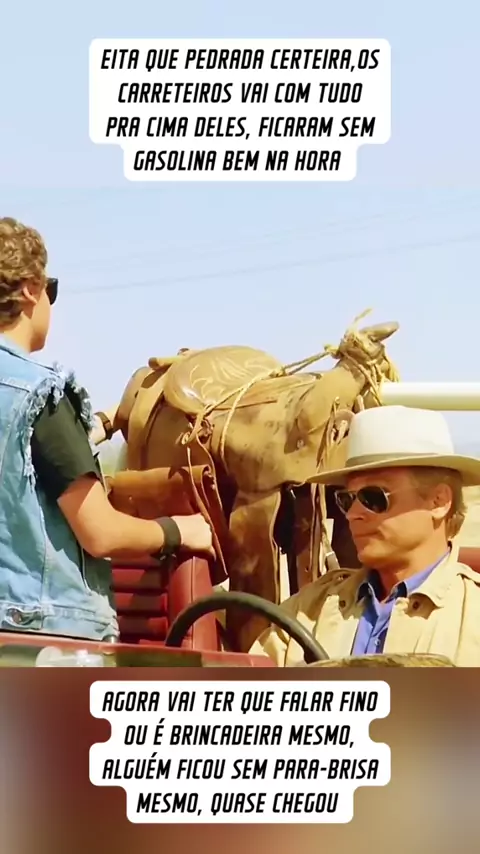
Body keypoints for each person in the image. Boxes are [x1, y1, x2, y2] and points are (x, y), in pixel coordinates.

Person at [0, 216, 213, 642]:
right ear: (30, 290)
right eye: (51, 289)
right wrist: (179, 529)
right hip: (44, 637)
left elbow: (21, 455)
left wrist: (108, 421)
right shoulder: (43, 395)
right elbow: (100, 533)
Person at [249, 404, 480, 667]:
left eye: (373, 497)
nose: (353, 514)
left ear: (438, 501)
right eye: (346, 500)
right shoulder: (308, 610)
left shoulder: (472, 616)